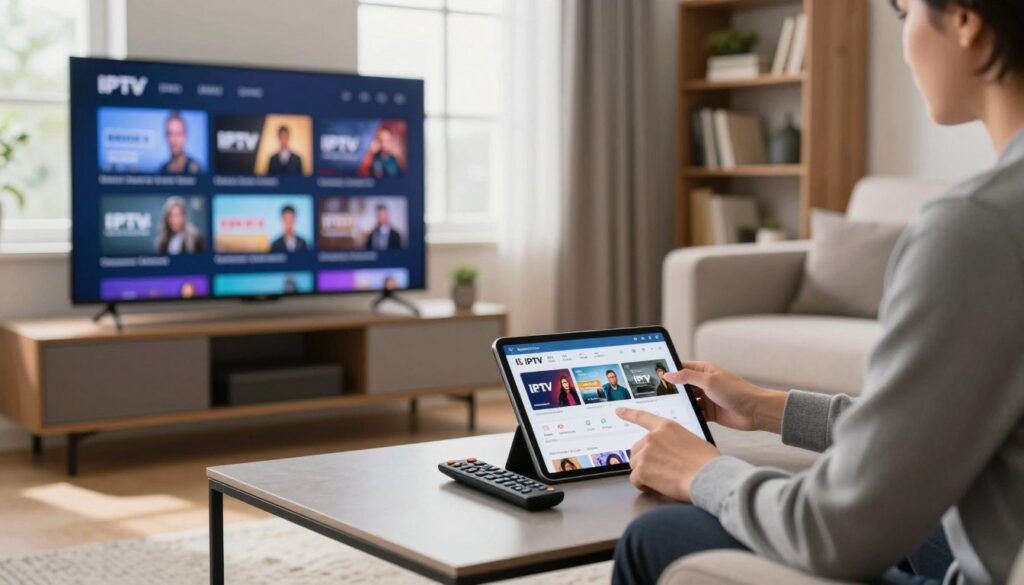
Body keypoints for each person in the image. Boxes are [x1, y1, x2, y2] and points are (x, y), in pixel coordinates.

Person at [612, 2, 1024, 584]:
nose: (904, 39)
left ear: (964, 20)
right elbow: (924, 433)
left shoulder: (979, 227)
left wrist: (703, 471)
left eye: (904, 11)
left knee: (658, 536)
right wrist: (765, 407)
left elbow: (832, 534)